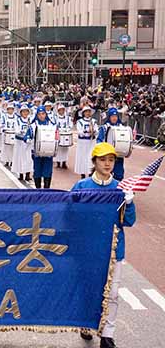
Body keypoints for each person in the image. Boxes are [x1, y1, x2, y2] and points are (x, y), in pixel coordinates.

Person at [71, 143, 136, 348]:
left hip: (113, 249)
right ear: (94, 162)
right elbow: (68, 215)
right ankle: (86, 324)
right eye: (103, 159)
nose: (107, 164)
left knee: (113, 293)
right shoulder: (81, 187)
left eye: (111, 160)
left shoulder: (120, 188)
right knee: (88, 289)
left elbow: (129, 221)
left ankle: (107, 334)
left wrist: (130, 203)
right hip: (87, 249)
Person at [97, 107, 126, 181]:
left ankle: (117, 189)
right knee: (106, 173)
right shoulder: (104, 128)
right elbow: (99, 140)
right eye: (112, 116)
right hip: (107, 155)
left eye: (116, 116)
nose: (114, 118)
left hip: (118, 155)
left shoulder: (122, 128)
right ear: (109, 117)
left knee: (119, 174)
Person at [31, 106, 54, 189]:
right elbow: (28, 135)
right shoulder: (33, 125)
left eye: (43, 114)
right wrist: (27, 139)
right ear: (37, 115)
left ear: (45, 114)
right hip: (37, 153)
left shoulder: (51, 124)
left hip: (48, 152)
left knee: (47, 171)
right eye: (39, 114)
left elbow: (56, 135)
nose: (41, 116)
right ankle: (38, 191)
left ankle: (47, 191)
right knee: (37, 171)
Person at [75, 106, 99, 179]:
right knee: (82, 157)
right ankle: (82, 173)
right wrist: (86, 131)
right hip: (82, 142)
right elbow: (79, 131)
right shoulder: (79, 121)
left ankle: (90, 173)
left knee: (91, 157)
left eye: (89, 111)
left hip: (91, 142)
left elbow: (97, 130)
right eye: (86, 112)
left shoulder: (94, 121)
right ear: (83, 113)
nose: (88, 113)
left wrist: (94, 132)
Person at [12, 104, 33, 181]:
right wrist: (22, 133)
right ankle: (21, 174)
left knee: (28, 158)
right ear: (21, 112)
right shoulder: (17, 120)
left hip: (28, 143)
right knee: (20, 158)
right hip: (20, 142)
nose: (25, 113)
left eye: (26, 111)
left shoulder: (30, 120)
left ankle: (27, 174)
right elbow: (16, 130)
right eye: (23, 112)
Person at [54, 104, 73, 169]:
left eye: (62, 110)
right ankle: (58, 163)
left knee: (65, 149)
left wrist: (67, 129)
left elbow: (70, 125)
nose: (61, 111)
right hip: (58, 134)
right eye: (60, 110)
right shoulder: (55, 117)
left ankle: (64, 162)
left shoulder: (68, 118)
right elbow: (54, 125)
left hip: (65, 134)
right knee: (58, 149)